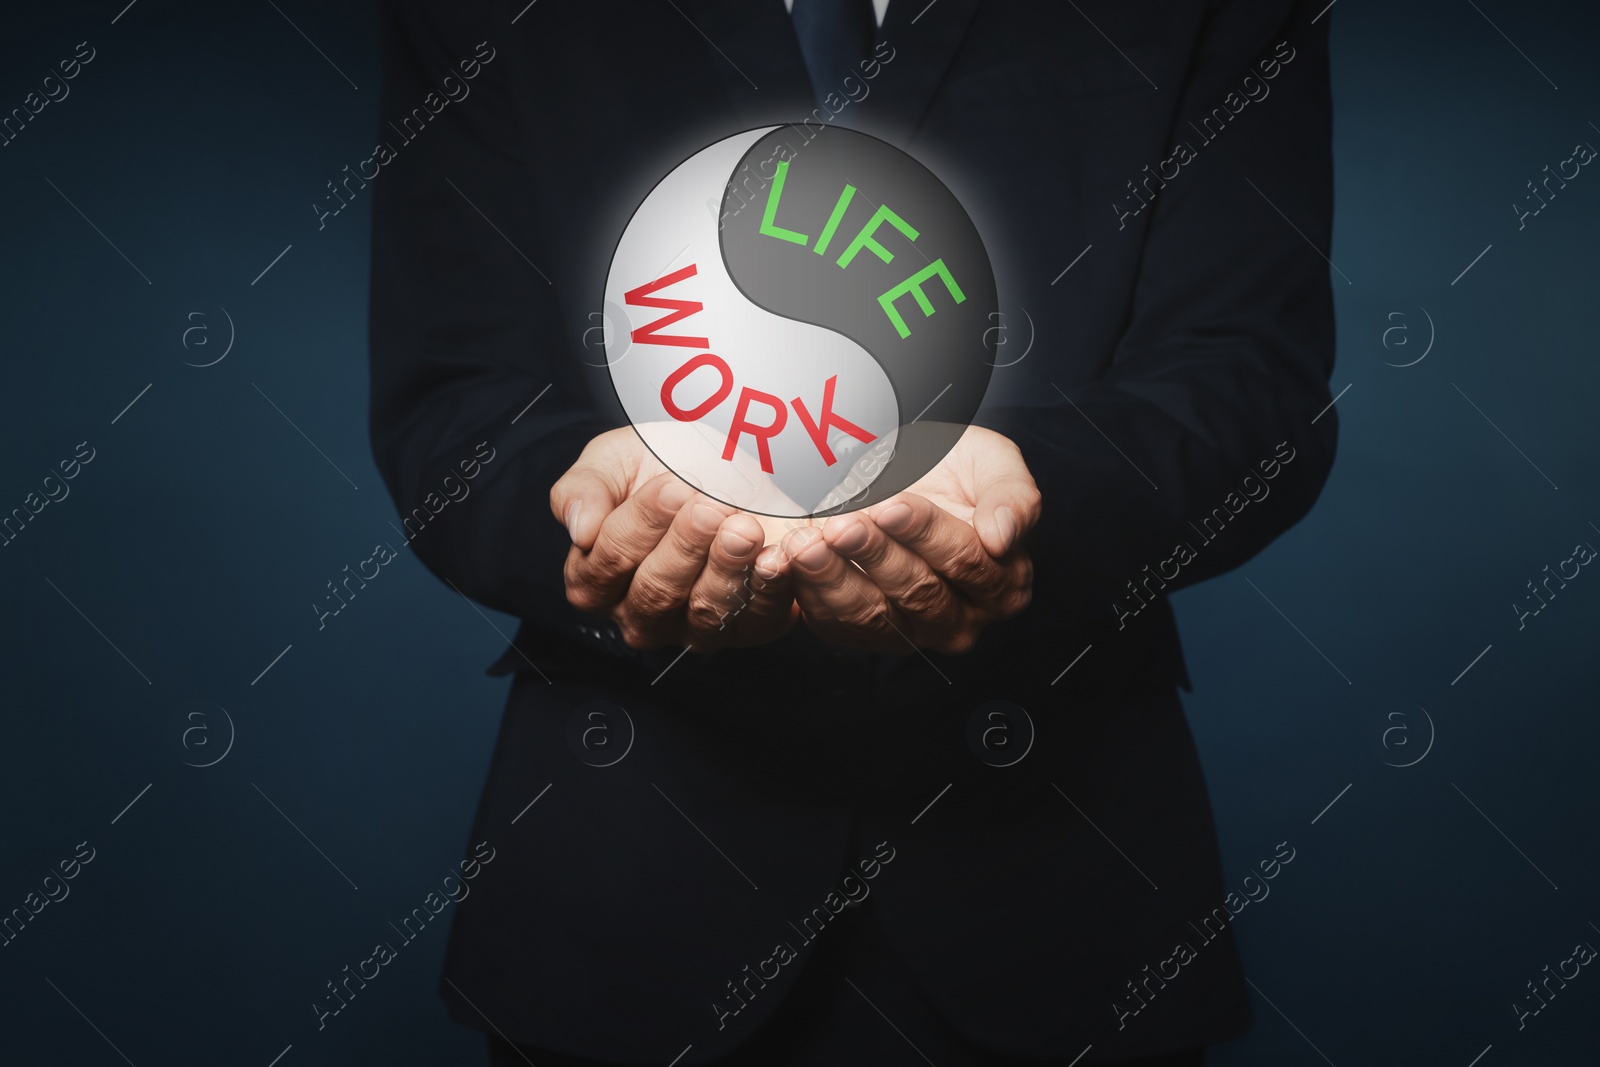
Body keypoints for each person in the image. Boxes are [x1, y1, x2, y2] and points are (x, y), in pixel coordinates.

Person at [369, 0, 1338, 1063]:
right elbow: (452, 404)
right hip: (628, 906)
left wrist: (1027, 499)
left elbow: (1250, 387)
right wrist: (598, 510)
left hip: (1058, 904)